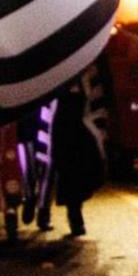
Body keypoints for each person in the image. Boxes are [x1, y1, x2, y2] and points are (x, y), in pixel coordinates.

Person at [51, 63, 109, 237]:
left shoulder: (89, 69)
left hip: (83, 126)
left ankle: (75, 212)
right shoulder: (56, 69)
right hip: (62, 126)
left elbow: (97, 98)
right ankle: (74, 216)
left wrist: (99, 128)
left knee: (84, 171)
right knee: (67, 172)